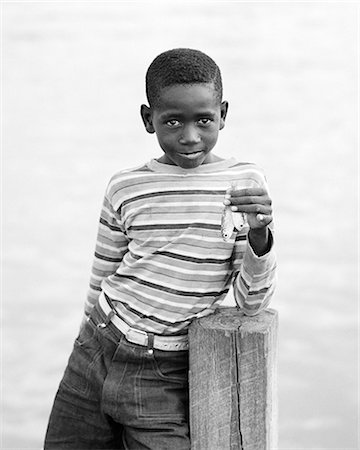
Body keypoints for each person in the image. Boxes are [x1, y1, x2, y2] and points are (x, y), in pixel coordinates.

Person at [44, 48, 276, 450]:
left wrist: (260, 236)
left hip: (165, 371)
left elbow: (250, 302)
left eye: (204, 120)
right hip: (96, 348)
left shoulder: (243, 185)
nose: (189, 136)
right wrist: (85, 335)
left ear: (223, 113)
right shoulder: (125, 186)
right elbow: (104, 272)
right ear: (148, 119)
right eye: (172, 121)